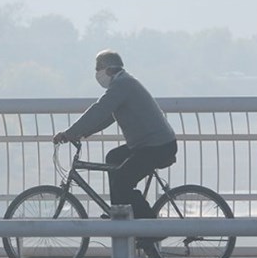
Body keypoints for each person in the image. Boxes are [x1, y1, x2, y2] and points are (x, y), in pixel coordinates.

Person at [53, 49, 178, 222]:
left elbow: (99, 110)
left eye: (98, 69)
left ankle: (151, 228)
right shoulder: (123, 83)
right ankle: (119, 213)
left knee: (122, 181)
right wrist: (83, 133)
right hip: (149, 144)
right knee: (113, 157)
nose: (97, 73)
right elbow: (107, 116)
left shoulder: (122, 85)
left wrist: (69, 133)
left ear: (109, 69)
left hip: (157, 146)